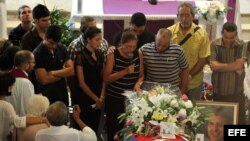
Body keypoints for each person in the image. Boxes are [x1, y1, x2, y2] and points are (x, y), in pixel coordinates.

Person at [104, 31, 144, 141]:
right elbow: (106, 78)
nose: (131, 50)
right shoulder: (113, 54)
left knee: (129, 128)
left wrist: (137, 84)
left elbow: (141, 76)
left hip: (130, 98)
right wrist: (125, 71)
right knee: (114, 129)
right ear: (122, 43)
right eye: (128, 47)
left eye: (133, 46)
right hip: (114, 98)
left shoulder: (138, 53)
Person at [168, 2, 210, 99]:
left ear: (193, 15)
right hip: (174, 81)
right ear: (177, 16)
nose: (184, 18)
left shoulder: (202, 34)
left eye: (187, 15)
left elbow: (203, 59)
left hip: (193, 82)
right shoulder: (169, 32)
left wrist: (188, 76)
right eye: (181, 15)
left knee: (194, 110)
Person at [209, 22, 247, 124]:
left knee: (238, 125)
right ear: (221, 33)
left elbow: (239, 66)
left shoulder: (242, 45)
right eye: (226, 37)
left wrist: (220, 66)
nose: (229, 40)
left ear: (236, 34)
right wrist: (234, 66)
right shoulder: (214, 45)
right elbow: (213, 66)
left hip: (237, 93)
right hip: (219, 93)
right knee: (220, 124)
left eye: (232, 38)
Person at [74, 27, 105, 134]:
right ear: (88, 39)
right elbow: (81, 83)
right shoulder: (80, 56)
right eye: (97, 40)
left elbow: (103, 76)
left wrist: (101, 97)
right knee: (86, 128)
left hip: (99, 93)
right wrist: (96, 99)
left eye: (101, 39)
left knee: (96, 127)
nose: (100, 42)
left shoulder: (100, 54)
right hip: (85, 96)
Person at [0, 71, 47, 141]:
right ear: (8, 87)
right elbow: (18, 122)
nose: (13, 88)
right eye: (12, 85)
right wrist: (43, 119)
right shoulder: (6, 106)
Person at [33, 25, 74, 105]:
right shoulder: (38, 53)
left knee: (66, 114)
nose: (54, 46)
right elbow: (43, 80)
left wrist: (52, 73)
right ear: (45, 37)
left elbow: (72, 71)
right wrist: (63, 73)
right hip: (46, 97)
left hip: (62, 95)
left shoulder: (61, 48)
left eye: (56, 43)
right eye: (51, 43)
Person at [140, 28, 189, 93]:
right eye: (159, 44)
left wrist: (183, 88)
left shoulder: (178, 50)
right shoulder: (145, 49)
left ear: (170, 41)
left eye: (164, 46)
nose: (160, 48)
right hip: (152, 91)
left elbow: (185, 68)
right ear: (155, 37)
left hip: (172, 90)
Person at [5, 50, 35, 116]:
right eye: (33, 62)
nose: (34, 65)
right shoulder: (25, 83)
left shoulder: (5, 78)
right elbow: (28, 107)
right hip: (20, 121)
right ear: (27, 65)